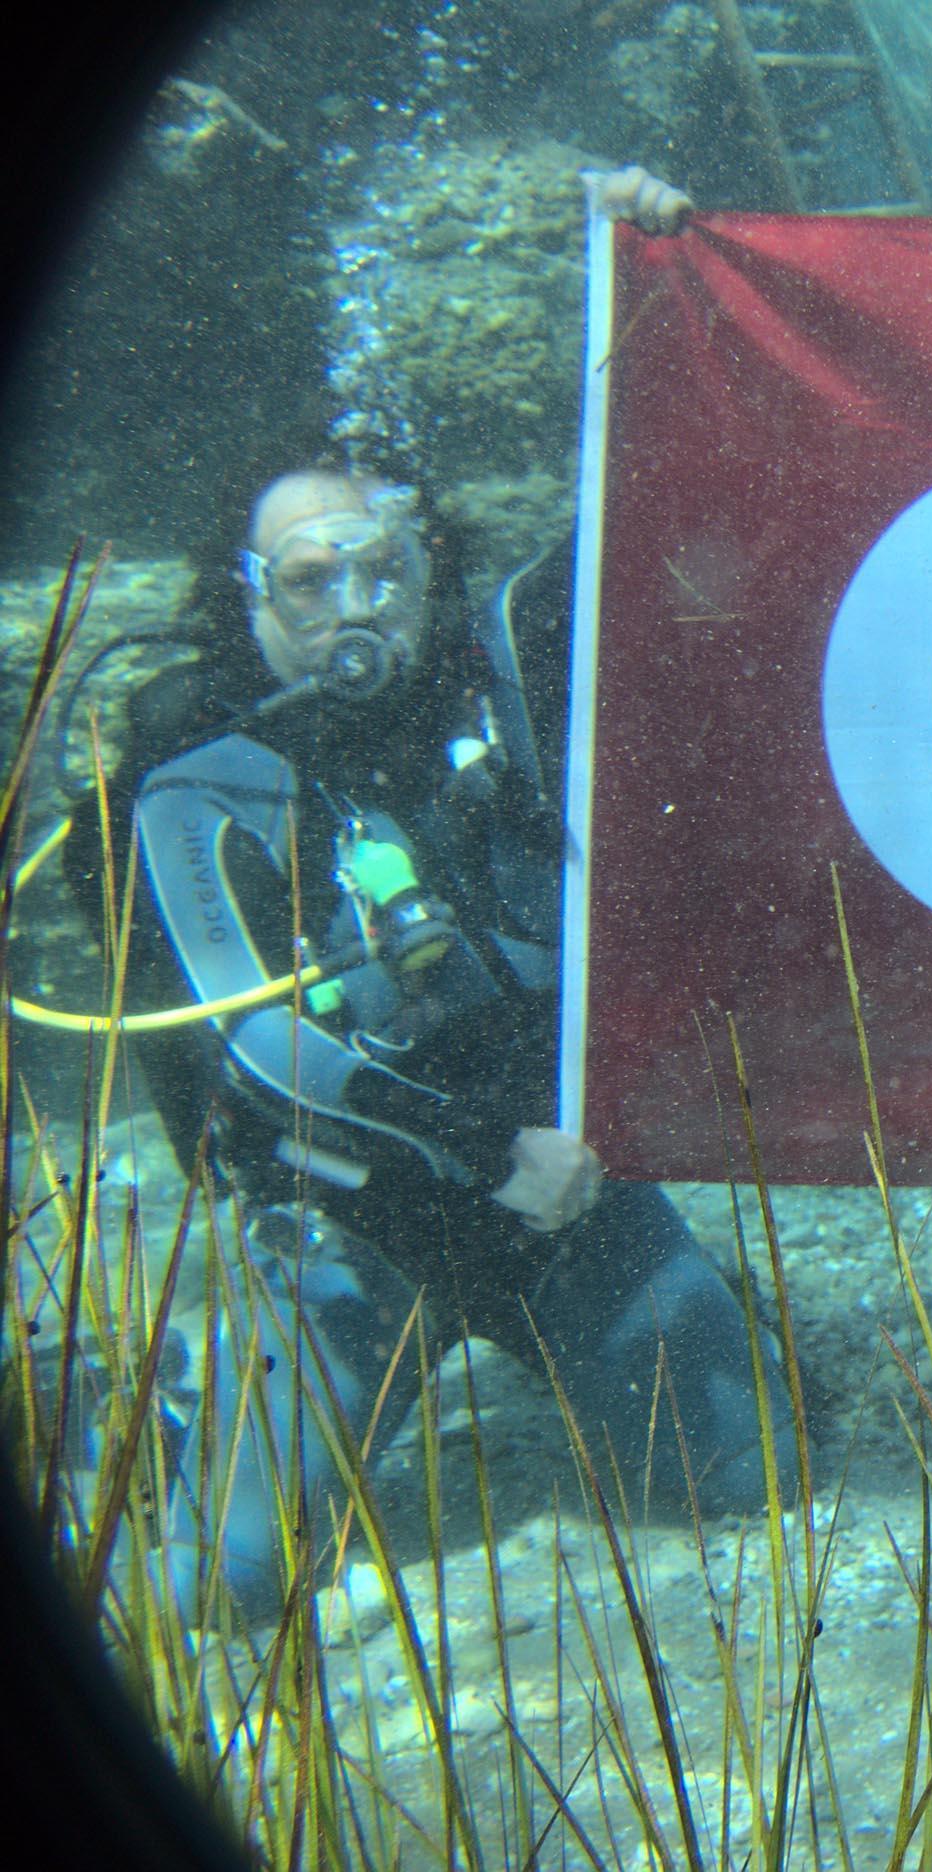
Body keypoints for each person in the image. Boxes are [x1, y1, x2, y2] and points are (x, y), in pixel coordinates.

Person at [59, 168, 797, 1625]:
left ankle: (654, 1331)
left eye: (381, 569)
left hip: (565, 1198)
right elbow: (260, 1043)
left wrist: (666, 278)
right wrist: (479, 1142)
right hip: (353, 1220)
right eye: (310, 577)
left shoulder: (517, 671)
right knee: (221, 1584)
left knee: (746, 1474)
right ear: (254, 597)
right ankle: (124, 1412)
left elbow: (658, 499)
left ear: (427, 564)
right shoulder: (198, 773)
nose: (352, 609)